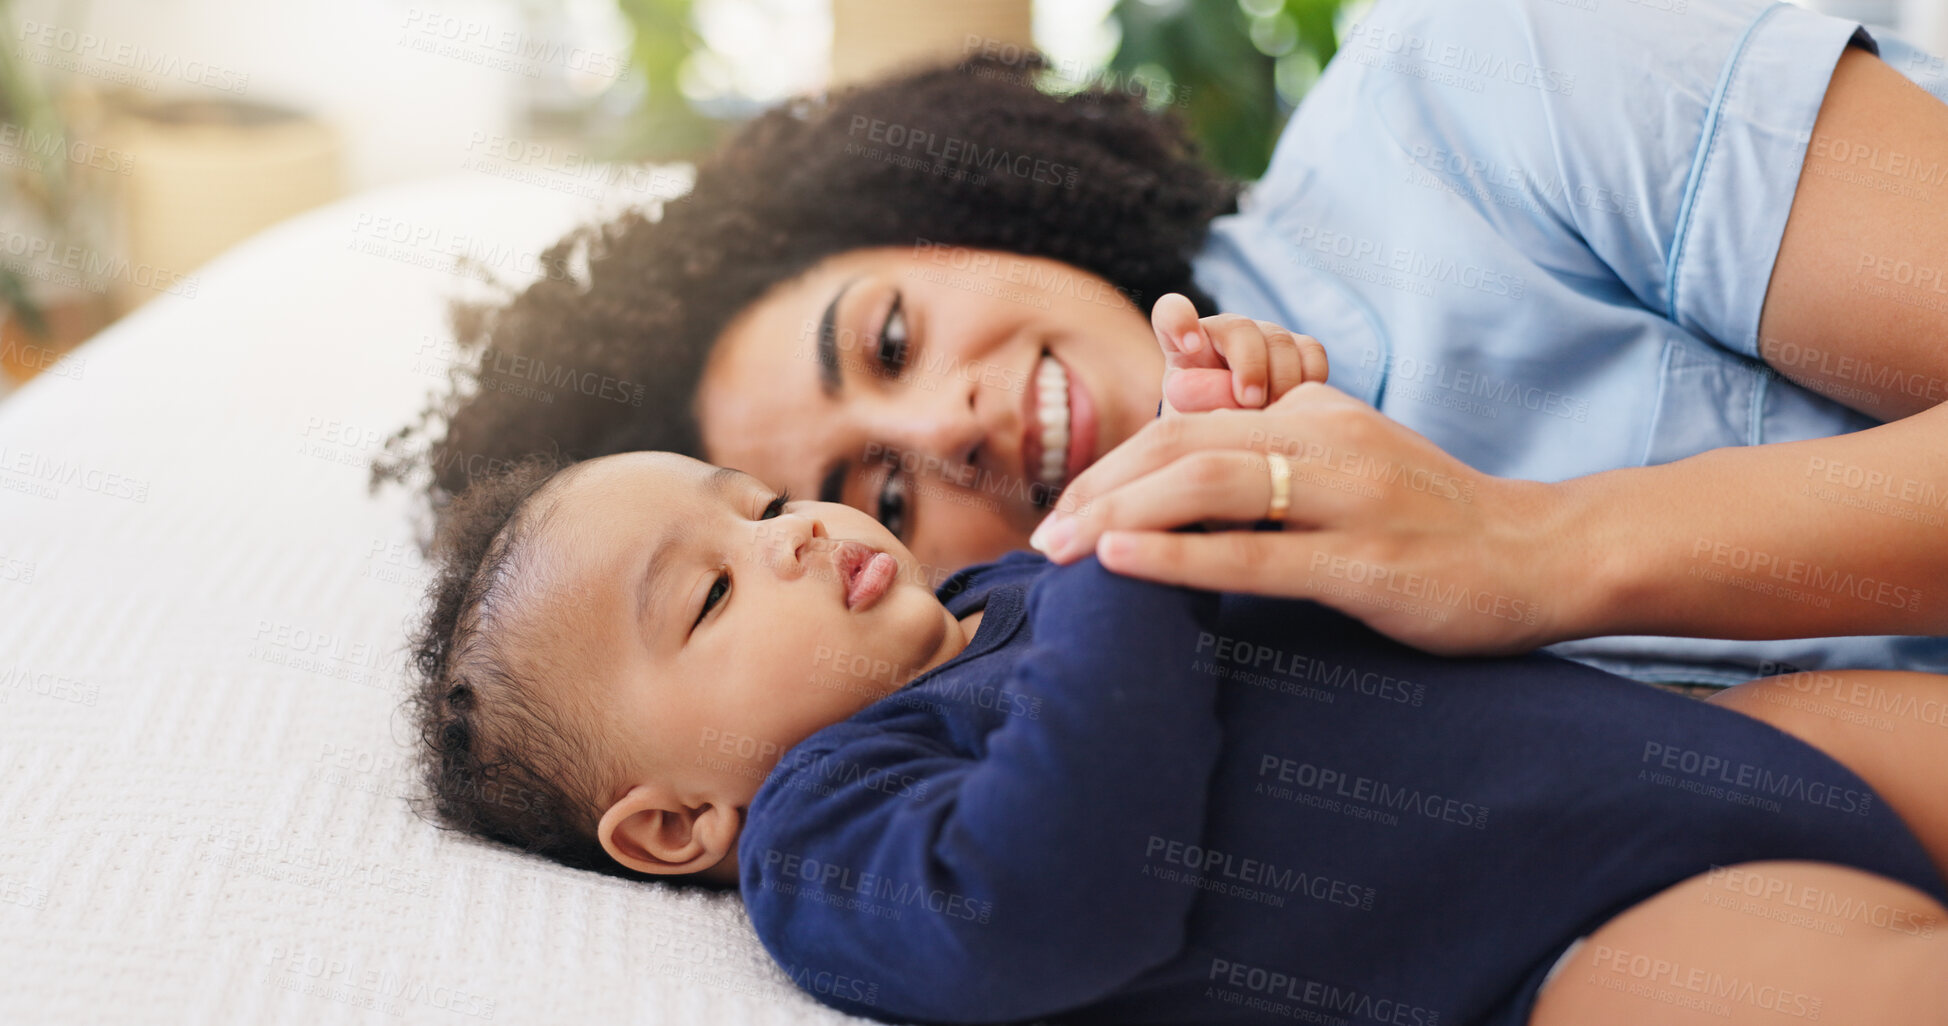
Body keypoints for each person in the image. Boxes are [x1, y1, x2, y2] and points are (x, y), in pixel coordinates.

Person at [379, 0, 1948, 686]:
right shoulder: (1243, 715)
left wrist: (1540, 549)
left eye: (894, 336)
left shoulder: (1482, 83)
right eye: (880, 497)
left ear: (960, 214)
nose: (949, 427)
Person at [404, 445, 1948, 1026]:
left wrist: (1238, 444)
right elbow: (1046, 902)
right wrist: (1123, 560)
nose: (792, 534)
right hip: (1582, 943)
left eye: (755, 501)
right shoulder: (826, 826)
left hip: (1707, 746)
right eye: (710, 592)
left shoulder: (1010, 589)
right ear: (674, 821)